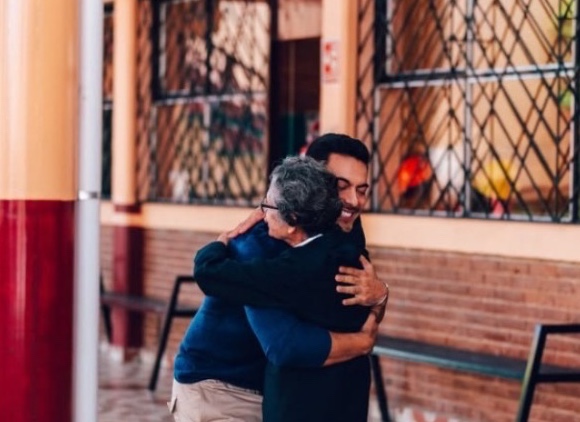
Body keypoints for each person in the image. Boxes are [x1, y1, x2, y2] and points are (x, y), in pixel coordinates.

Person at [170, 134, 388, 421]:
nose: (353, 200)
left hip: (268, 390)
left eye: (361, 189)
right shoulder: (262, 241)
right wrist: (361, 343)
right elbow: (286, 345)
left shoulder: (338, 232)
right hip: (218, 387)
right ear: (312, 178)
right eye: (341, 186)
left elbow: (349, 306)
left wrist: (380, 294)